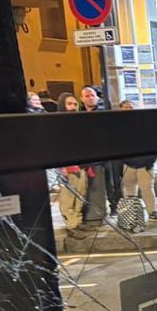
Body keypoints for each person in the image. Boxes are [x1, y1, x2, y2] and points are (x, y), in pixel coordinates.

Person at [117, 99, 157, 223]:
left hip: (145, 165)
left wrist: (150, 162)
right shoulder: (118, 127)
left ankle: (152, 213)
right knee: (129, 192)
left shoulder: (143, 124)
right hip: (128, 165)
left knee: (147, 190)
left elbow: (154, 143)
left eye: (130, 107)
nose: (128, 110)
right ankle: (131, 215)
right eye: (125, 107)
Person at [77, 86, 113, 227]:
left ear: (97, 97)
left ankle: (98, 216)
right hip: (84, 159)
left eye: (92, 95)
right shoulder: (79, 113)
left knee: (99, 188)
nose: (89, 97)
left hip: (99, 158)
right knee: (85, 189)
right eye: (86, 95)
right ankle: (87, 216)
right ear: (82, 98)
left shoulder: (103, 113)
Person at [55, 93, 87, 233]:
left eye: (75, 104)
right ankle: (71, 225)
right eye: (69, 104)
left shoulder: (79, 121)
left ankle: (77, 221)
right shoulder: (57, 123)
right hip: (67, 165)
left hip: (80, 165)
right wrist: (61, 167)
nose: (73, 107)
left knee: (80, 194)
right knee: (68, 197)